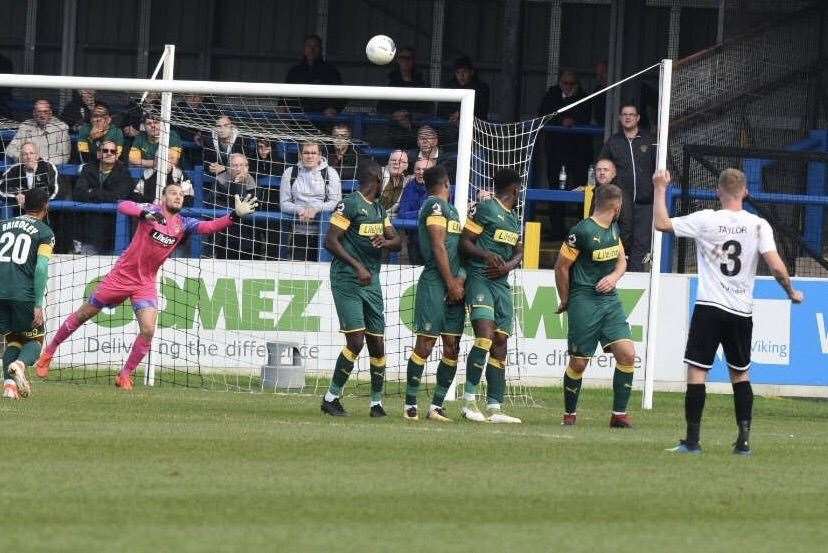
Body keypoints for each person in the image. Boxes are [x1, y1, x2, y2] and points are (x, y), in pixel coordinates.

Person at [34, 186, 259, 389]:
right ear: (163, 198)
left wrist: (233, 216)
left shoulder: (183, 224)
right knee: (85, 314)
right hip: (120, 277)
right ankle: (50, 352)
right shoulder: (151, 211)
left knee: (149, 329)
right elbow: (123, 205)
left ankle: (125, 374)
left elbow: (209, 226)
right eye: (173, 193)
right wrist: (143, 213)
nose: (178, 197)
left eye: (181, 195)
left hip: (145, 283)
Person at [653, 168, 804, 455]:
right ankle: (743, 442)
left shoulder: (706, 219)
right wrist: (791, 292)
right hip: (740, 310)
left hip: (709, 307)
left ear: (717, 192)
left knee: (697, 371)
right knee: (740, 374)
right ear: (745, 192)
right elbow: (776, 267)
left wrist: (660, 187)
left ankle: (693, 441)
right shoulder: (758, 225)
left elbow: (661, 223)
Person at [320, 159, 402, 417]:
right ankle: (330, 398)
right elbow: (331, 241)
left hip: (371, 281)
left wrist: (385, 242)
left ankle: (376, 404)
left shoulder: (379, 209)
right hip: (348, 279)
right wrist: (357, 266)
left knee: (377, 344)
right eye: (385, 179)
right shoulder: (350, 204)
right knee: (356, 341)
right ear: (377, 179)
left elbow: (397, 240)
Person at [554, 183, 637, 428]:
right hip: (584, 300)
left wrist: (613, 278)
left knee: (627, 354)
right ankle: (569, 415)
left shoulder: (614, 227)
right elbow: (561, 267)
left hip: (609, 301)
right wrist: (566, 299)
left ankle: (618, 415)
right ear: (616, 205)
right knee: (579, 361)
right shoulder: (581, 231)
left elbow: (622, 261)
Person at [450, 169, 524, 423]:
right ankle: (469, 402)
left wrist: (508, 266)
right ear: (515, 189)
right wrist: (485, 256)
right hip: (480, 279)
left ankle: (495, 407)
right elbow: (465, 242)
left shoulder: (514, 219)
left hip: (501, 284)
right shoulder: (483, 209)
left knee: (500, 342)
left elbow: (519, 251)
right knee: (484, 337)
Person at [403, 165, 465, 420]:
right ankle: (410, 405)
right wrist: (450, 282)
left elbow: (456, 250)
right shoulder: (434, 206)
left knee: (452, 346)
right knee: (426, 344)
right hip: (435, 282)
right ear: (447, 183)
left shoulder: (454, 212)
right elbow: (438, 245)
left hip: (455, 284)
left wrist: (459, 280)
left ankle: (437, 406)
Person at [0, 188, 54, 400]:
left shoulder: (2, 225)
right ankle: (20, 364)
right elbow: (41, 268)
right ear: (45, 207)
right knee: (34, 340)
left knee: (13, 337)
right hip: (23, 294)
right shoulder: (44, 232)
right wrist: (38, 303)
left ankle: (9, 388)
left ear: (23, 205)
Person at [599, 103, 656, 271]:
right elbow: (603, 166)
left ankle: (635, 279)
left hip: (645, 202)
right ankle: (616, 274)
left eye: (631, 114)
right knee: (621, 239)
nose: (628, 117)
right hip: (622, 204)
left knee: (641, 243)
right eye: (624, 114)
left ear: (638, 118)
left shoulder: (649, 140)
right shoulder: (613, 142)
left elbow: (660, 166)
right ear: (619, 118)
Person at [279, 142, 342, 261]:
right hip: (296, 232)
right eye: (306, 153)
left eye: (313, 153)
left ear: (320, 155)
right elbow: (284, 204)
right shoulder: (290, 172)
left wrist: (316, 209)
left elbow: (336, 203)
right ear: (300, 155)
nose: (310, 156)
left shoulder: (331, 173)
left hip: (324, 233)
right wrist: (301, 210)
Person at [73, 140, 135, 255]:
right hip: (89, 228)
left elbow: (119, 196)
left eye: (113, 151)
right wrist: (105, 194)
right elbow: (78, 193)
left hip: (113, 229)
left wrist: (93, 192)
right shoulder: (88, 169)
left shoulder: (124, 173)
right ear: (99, 154)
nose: (109, 153)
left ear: (117, 155)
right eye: (105, 150)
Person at [537, 70, 591, 189]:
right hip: (556, 147)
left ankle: (580, 208)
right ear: (560, 83)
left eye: (571, 84)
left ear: (576, 84)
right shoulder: (551, 94)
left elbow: (585, 116)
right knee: (555, 182)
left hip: (578, 149)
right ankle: (556, 208)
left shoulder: (583, 96)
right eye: (565, 83)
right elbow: (543, 114)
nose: (568, 86)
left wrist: (571, 100)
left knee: (579, 183)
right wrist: (561, 121)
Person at [207, 153, 258, 259]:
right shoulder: (220, 180)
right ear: (228, 168)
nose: (239, 169)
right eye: (235, 165)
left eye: (243, 165)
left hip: (248, 236)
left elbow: (254, 206)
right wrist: (236, 185)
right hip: (224, 237)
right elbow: (215, 204)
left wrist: (241, 185)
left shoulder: (252, 181)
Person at [285, 34, 345, 116]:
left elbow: (341, 95)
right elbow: (284, 95)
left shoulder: (330, 71)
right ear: (304, 49)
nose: (312, 49)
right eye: (308, 46)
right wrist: (282, 106)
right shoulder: (294, 72)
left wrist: (333, 108)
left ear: (320, 49)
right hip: (297, 119)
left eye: (315, 46)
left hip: (322, 120)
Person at [6, 100, 70, 166]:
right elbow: (10, 150)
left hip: (49, 170)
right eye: (39, 112)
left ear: (50, 113)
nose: (42, 115)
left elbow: (64, 158)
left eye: (45, 112)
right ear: (34, 113)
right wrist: (27, 159)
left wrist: (39, 162)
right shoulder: (25, 126)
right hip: (25, 167)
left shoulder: (61, 128)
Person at [397, 157, 435, 264]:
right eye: (418, 169)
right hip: (415, 237)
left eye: (425, 170)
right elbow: (402, 214)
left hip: (436, 236)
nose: (421, 172)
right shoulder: (409, 187)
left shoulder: (439, 187)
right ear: (414, 171)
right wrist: (422, 212)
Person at [377, 46, 428, 116]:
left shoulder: (421, 83)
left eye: (408, 58)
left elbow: (427, 108)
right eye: (402, 57)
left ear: (413, 61)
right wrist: (395, 114)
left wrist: (410, 115)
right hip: (392, 124)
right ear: (397, 60)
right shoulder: (390, 82)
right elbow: (381, 107)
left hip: (416, 123)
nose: (405, 61)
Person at [437, 56, 490, 121]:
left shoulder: (482, 88)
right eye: (458, 72)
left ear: (471, 72)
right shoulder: (449, 86)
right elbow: (440, 109)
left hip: (474, 126)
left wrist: (461, 113)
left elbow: (481, 111)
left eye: (464, 72)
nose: (461, 76)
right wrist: (450, 115)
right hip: (449, 124)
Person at [379, 149, 409, 219]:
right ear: (388, 162)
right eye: (393, 160)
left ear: (406, 166)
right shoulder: (378, 173)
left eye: (401, 161)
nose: (396, 163)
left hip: (391, 220)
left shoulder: (406, 181)